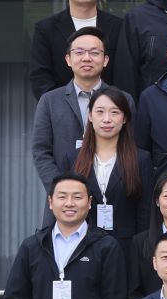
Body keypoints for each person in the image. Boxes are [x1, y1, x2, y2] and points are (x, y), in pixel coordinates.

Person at [30, 0, 128, 97]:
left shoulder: (119, 27)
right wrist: (61, 105)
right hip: (62, 107)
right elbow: (40, 77)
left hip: (109, 107)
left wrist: (112, 104)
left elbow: (125, 72)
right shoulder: (45, 29)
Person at [31, 30, 114, 188]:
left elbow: (129, 148)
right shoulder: (49, 100)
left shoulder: (122, 100)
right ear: (68, 59)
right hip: (64, 196)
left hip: (110, 192)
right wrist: (60, 187)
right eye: (79, 52)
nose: (86, 58)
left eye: (94, 53)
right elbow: (41, 151)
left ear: (105, 60)